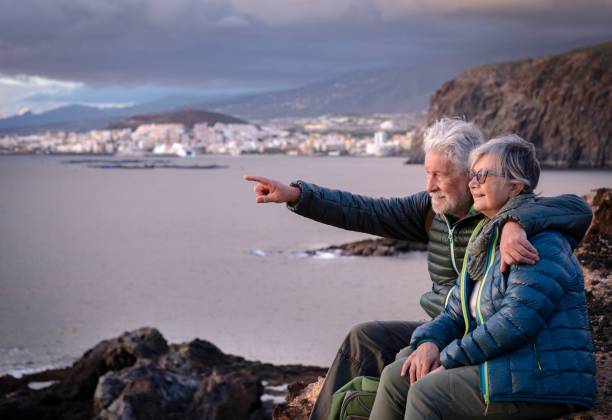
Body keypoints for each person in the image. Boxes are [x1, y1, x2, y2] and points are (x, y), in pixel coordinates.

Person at [243, 118, 593, 420]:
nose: (429, 185)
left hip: (487, 338)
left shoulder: (509, 229)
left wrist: (516, 220)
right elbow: (366, 210)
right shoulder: (437, 213)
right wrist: (296, 195)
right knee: (363, 338)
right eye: (427, 173)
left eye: (441, 175)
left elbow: (572, 209)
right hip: (451, 324)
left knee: (410, 377)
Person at [370, 135, 596, 419]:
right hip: (506, 363)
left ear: (515, 186)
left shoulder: (539, 244)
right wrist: (428, 342)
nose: (472, 182)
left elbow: (515, 321)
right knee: (398, 375)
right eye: (471, 174)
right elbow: (455, 312)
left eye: (482, 175)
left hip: (543, 377)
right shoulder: (487, 239)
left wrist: (449, 356)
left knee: (427, 392)